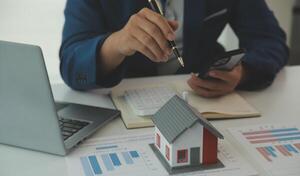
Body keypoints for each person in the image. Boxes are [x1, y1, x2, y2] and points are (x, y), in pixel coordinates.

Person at [60, 0, 289, 98]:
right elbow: (71, 61)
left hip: (202, 104)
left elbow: (270, 41)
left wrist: (243, 73)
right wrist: (117, 43)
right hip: (123, 104)